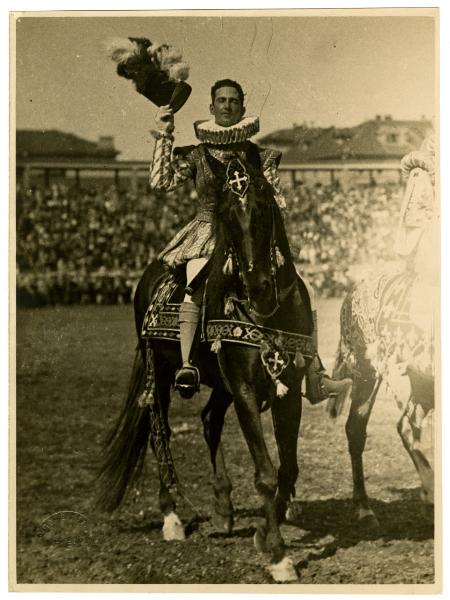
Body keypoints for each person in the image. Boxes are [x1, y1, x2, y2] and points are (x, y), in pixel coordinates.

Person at [149, 78, 352, 400]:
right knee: (195, 279)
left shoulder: (262, 156)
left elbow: (278, 201)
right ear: (211, 107)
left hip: (253, 236)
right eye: (221, 100)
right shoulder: (197, 154)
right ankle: (188, 364)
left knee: (305, 288)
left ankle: (315, 373)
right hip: (208, 232)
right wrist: (164, 133)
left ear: (242, 107)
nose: (227, 106)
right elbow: (161, 183)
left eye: (233, 101)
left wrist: (280, 240)